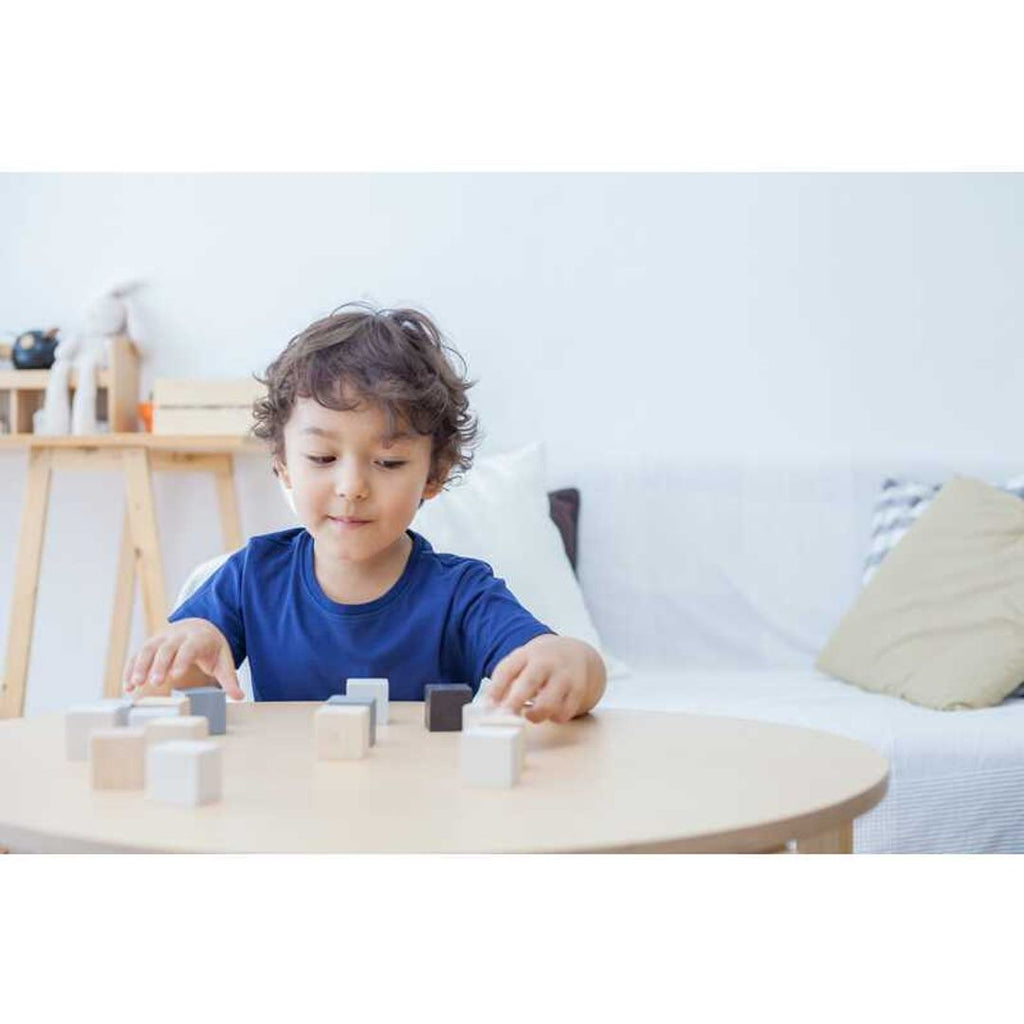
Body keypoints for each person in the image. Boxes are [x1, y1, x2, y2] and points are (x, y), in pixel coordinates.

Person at [123, 303, 606, 723]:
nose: (352, 488)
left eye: (389, 462)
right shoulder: (252, 577)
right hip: (290, 811)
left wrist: (569, 664)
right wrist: (184, 651)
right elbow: (167, 697)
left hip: (421, 813)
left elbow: (568, 666)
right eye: (322, 459)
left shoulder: (462, 595)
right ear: (283, 465)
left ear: (433, 476)